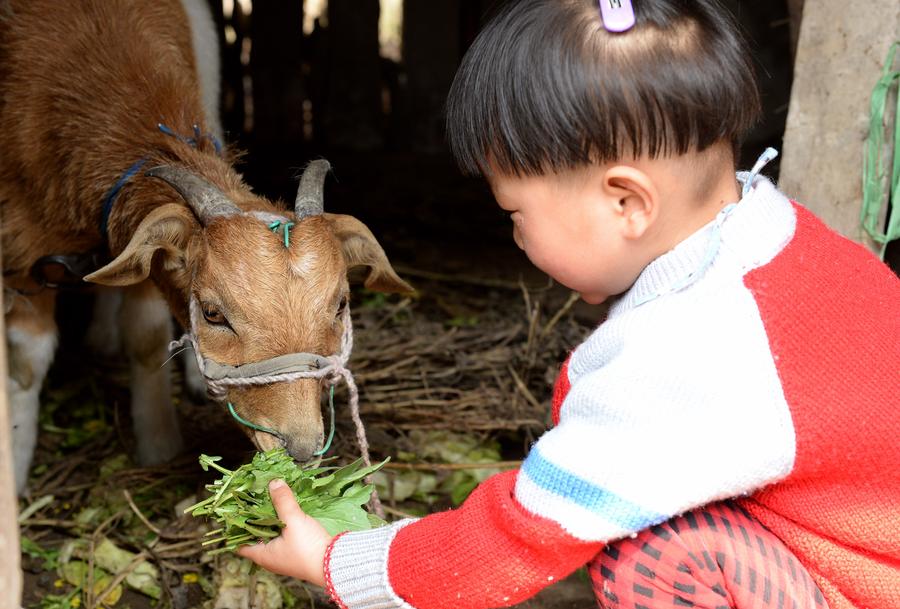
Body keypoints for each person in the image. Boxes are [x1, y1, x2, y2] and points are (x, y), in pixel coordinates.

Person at [239, 1, 900, 608]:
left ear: (627, 202)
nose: (516, 235)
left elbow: (523, 535)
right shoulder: (777, 239)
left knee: (653, 551)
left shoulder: (693, 353)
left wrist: (333, 559)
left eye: (516, 213)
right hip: (859, 555)